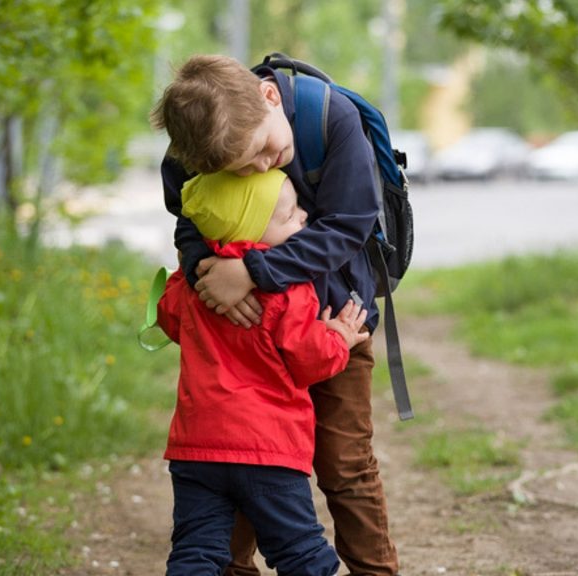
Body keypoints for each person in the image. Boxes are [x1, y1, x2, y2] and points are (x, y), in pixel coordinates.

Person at [154, 54, 400, 575]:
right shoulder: (190, 152)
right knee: (243, 456)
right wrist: (204, 268)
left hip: (337, 323)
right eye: (239, 170)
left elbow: (348, 224)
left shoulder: (330, 119)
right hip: (241, 334)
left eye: (262, 150)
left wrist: (251, 273)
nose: (261, 167)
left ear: (269, 98)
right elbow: (191, 225)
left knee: (344, 464)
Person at [156, 168, 370, 576]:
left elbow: (169, 319)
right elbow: (309, 360)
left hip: (197, 449)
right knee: (301, 552)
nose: (304, 217)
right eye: (290, 216)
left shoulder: (199, 283)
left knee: (196, 550)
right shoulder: (289, 289)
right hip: (268, 449)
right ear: (254, 229)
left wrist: (181, 280)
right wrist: (339, 338)